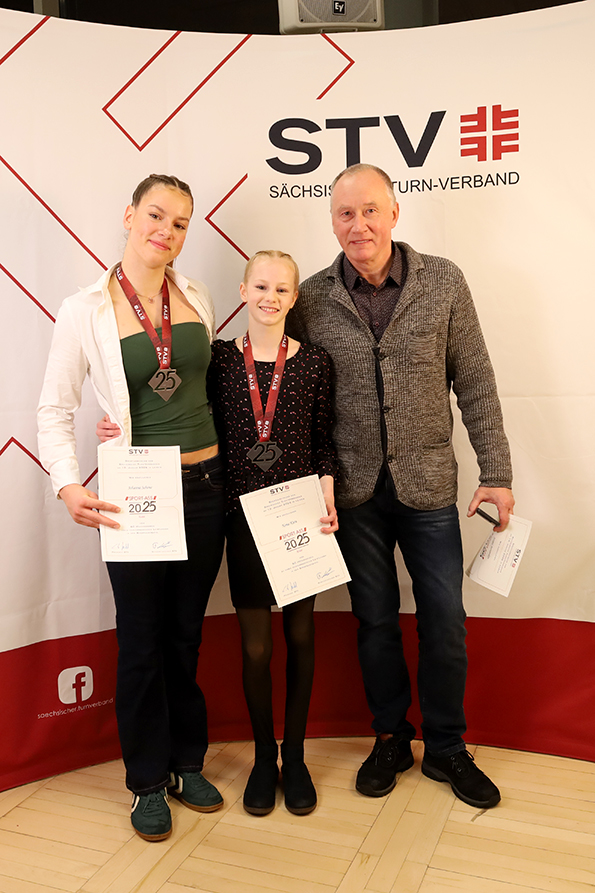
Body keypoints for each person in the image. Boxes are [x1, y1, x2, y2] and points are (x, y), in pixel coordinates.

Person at [287, 163, 515, 810]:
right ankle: (390, 735)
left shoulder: (443, 281)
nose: (358, 225)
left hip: (428, 486)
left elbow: (475, 380)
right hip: (352, 494)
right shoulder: (310, 298)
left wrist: (496, 473)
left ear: (393, 212)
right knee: (375, 621)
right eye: (344, 213)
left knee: (444, 620)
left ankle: (445, 745)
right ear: (332, 222)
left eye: (369, 210)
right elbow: (292, 394)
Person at [37, 174, 226, 842]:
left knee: (186, 634)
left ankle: (186, 762)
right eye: (155, 215)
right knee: (142, 639)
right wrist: (68, 483)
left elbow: (205, 389)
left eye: (179, 223)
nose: (165, 231)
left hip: (205, 487)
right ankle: (147, 778)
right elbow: (55, 409)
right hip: (137, 493)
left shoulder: (195, 295)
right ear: (129, 215)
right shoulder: (84, 308)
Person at [208, 250, 338, 816]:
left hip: (300, 518)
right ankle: (265, 757)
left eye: (282, 289)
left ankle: (297, 756)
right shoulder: (219, 360)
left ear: (295, 297)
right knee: (256, 647)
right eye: (261, 286)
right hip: (243, 520)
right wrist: (116, 423)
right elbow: (189, 420)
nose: (271, 298)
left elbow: (324, 438)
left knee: (301, 636)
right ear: (243, 291)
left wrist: (328, 489)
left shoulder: (314, 363)